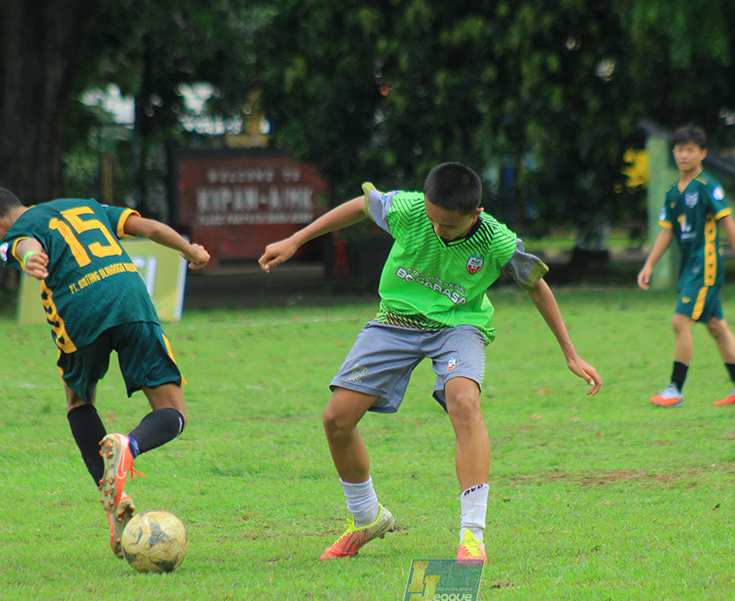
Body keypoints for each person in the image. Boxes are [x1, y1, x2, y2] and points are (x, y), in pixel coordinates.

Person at [258, 162, 602, 564]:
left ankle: (472, 536)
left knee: (464, 402)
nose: (438, 230)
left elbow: (536, 286)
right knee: (336, 418)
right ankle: (367, 518)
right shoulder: (409, 208)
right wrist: (296, 240)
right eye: (433, 219)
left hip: (459, 325)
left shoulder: (497, 241)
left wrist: (570, 351)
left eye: (450, 227)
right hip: (395, 321)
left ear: (474, 215)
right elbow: (361, 205)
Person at [0, 187, 210, 558]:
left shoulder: (15, 232)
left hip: (80, 309)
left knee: (78, 400)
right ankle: (129, 446)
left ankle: (112, 492)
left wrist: (32, 259)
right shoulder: (83, 206)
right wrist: (190, 250)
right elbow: (148, 227)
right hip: (130, 297)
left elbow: (23, 246)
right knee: (172, 412)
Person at [637, 125, 735, 408]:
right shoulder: (672, 193)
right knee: (717, 327)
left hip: (706, 267)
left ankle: (674, 390)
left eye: (690, 150)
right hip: (690, 269)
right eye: (680, 149)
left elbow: (728, 222)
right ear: (674, 153)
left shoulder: (708, 187)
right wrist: (649, 264)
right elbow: (666, 232)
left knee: (680, 322)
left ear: (702, 153)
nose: (684, 155)